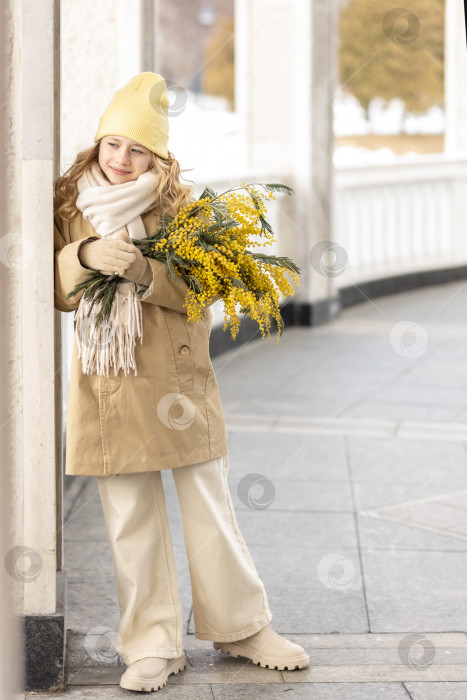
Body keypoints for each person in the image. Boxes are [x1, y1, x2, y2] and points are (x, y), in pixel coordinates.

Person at [53, 72, 309, 693]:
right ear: (97, 145)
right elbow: (46, 286)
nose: (122, 160)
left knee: (209, 505)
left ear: (158, 156)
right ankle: (150, 644)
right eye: (113, 144)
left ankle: (243, 626)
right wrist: (82, 257)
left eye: (137, 149)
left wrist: (146, 271)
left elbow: (206, 292)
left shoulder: (183, 208)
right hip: (109, 381)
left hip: (176, 379)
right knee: (130, 516)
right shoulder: (69, 206)